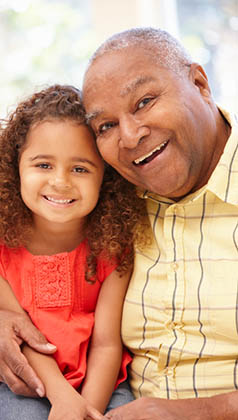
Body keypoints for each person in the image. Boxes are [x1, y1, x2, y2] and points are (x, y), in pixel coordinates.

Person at [0, 27, 237, 420]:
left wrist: (199, 412)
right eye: (106, 126)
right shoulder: (116, 200)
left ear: (199, 83)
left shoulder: (110, 220)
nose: (129, 136)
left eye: (145, 101)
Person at [0, 84, 149, 420]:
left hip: (102, 383)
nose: (61, 182)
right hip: (25, 381)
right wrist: (63, 399)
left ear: (105, 180)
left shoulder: (111, 247)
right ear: (16, 168)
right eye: (43, 165)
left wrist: (88, 410)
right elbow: (22, 337)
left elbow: (108, 345)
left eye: (80, 169)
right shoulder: (4, 248)